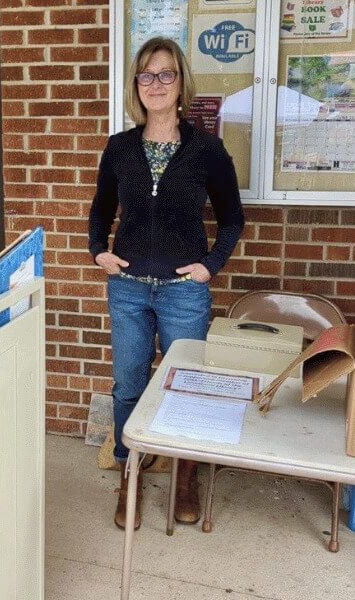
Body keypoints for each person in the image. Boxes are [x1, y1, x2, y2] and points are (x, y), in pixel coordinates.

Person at [88, 37, 244, 530]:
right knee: (129, 386)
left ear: (181, 84)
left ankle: (185, 479)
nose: (156, 84)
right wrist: (99, 252)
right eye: (147, 76)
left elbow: (233, 218)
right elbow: (99, 210)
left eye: (166, 74)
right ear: (137, 86)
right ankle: (129, 474)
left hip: (184, 292)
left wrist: (210, 265)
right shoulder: (120, 148)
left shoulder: (207, 150)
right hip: (129, 288)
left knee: (187, 388)